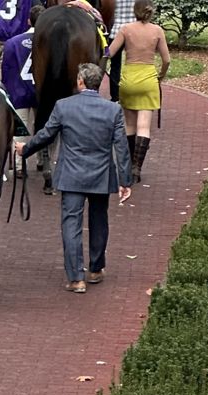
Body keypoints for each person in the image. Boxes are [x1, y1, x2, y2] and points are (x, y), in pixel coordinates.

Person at [17, 63, 132, 293]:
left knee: (71, 223)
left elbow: (46, 135)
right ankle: (96, 269)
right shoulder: (113, 110)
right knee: (99, 221)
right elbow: (121, 146)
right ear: (99, 84)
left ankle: (76, 278)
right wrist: (125, 180)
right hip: (101, 174)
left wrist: (25, 149)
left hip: (71, 174)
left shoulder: (63, 106)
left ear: (80, 81)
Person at [105, 0, 170, 183]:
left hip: (129, 79)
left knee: (130, 125)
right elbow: (166, 60)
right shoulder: (157, 31)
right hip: (148, 79)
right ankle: (137, 168)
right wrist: (161, 76)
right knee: (144, 127)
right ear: (151, 12)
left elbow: (109, 53)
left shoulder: (125, 29)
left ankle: (126, 164)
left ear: (134, 11)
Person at [2, 4, 39, 177]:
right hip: (40, 92)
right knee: (43, 128)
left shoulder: (12, 43)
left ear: (28, 20)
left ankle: (18, 166)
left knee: (20, 130)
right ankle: (42, 160)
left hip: (19, 92)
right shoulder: (50, 42)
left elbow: (7, 71)